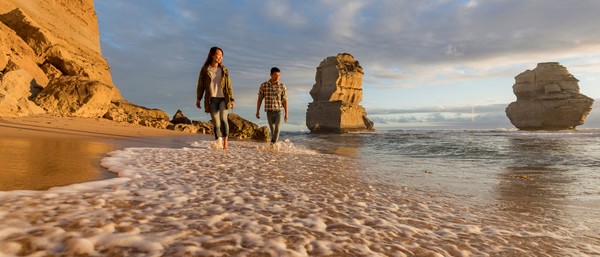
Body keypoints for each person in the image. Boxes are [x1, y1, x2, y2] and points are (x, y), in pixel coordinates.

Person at [196, 46, 234, 150]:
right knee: (216, 124)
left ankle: (225, 144)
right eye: (218, 55)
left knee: (223, 119)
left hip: (223, 98)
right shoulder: (205, 70)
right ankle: (218, 143)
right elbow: (201, 85)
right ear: (212, 55)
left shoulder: (224, 70)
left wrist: (232, 99)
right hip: (212, 99)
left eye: (221, 56)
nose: (220, 57)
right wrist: (198, 98)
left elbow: (229, 85)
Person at [256, 67, 288, 145]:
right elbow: (260, 99)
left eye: (279, 75)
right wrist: (257, 111)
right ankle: (274, 147)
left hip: (279, 111)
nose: (277, 77)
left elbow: (285, 101)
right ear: (271, 75)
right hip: (269, 112)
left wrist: (286, 114)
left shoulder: (282, 86)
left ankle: (272, 145)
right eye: (275, 75)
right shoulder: (264, 85)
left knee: (277, 129)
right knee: (273, 131)